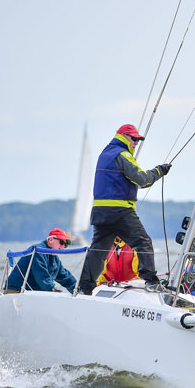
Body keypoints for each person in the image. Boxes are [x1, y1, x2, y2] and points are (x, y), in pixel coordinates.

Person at [78, 124, 172, 295]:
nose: (136, 143)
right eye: (134, 139)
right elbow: (143, 180)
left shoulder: (104, 153)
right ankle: (151, 281)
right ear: (124, 137)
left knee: (99, 250)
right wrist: (159, 171)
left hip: (100, 212)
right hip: (119, 210)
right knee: (143, 242)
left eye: (138, 139)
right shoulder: (122, 155)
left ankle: (84, 288)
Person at [5, 228, 77, 293]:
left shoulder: (55, 258)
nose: (63, 247)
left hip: (31, 293)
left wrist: (77, 288)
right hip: (15, 291)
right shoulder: (38, 251)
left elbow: (64, 276)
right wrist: (52, 289)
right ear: (50, 239)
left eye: (66, 245)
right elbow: (41, 276)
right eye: (61, 242)